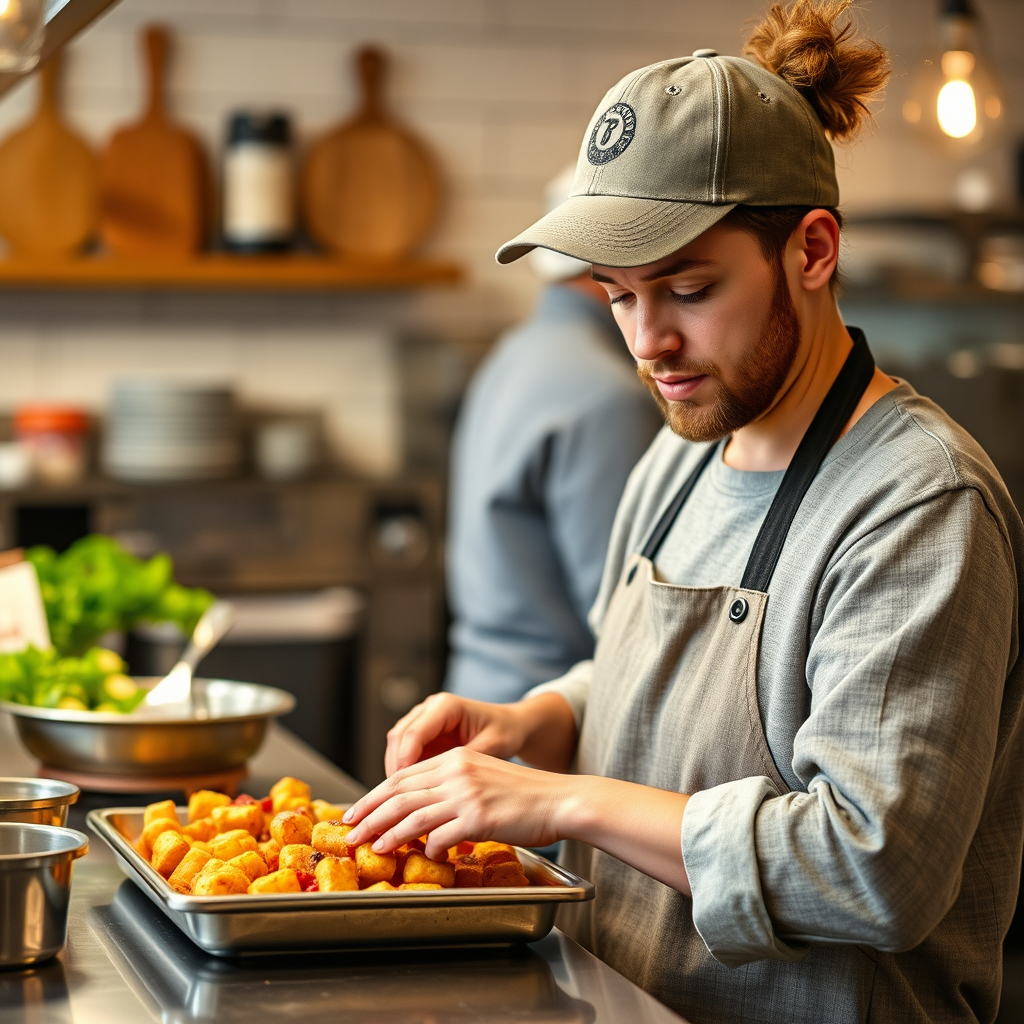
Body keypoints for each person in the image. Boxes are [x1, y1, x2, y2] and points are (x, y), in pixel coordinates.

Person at [343, 2, 1024, 1021]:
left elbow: (874, 865)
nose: (647, 340)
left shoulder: (916, 505)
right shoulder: (680, 456)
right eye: (618, 294)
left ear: (813, 250)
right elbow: (642, 679)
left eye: (689, 288)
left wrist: (562, 799)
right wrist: (538, 721)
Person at [445, 167, 660, 703]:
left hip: (479, 697)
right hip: (548, 720)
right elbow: (625, 618)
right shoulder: (608, 394)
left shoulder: (511, 354)